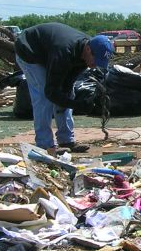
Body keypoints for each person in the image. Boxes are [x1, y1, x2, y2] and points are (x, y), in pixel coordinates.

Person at [14, 23, 114, 154]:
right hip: (28, 49)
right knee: (43, 97)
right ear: (88, 50)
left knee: (68, 93)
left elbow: (66, 86)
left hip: (48, 52)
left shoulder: (87, 52)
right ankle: (44, 145)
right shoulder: (64, 51)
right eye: (96, 60)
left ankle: (66, 140)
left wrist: (73, 101)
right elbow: (50, 92)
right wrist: (77, 105)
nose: (95, 65)